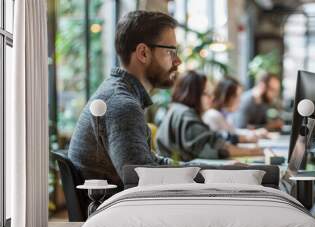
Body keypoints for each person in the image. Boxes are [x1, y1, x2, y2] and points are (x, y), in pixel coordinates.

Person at [68, 11, 181, 187]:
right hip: (119, 211)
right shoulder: (122, 105)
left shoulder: (118, 94)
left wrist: (206, 170)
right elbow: (143, 182)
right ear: (143, 53)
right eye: (171, 52)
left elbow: (150, 164)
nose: (178, 61)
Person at [156, 71, 263, 161]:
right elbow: (211, 149)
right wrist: (252, 151)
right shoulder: (185, 115)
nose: (212, 98)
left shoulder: (179, 110)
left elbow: (212, 140)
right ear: (194, 93)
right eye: (207, 93)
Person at [202, 76, 269, 143]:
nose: (240, 101)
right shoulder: (213, 115)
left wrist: (254, 133)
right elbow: (224, 138)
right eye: (237, 96)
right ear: (226, 96)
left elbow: (233, 131)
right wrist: (249, 137)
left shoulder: (226, 114)